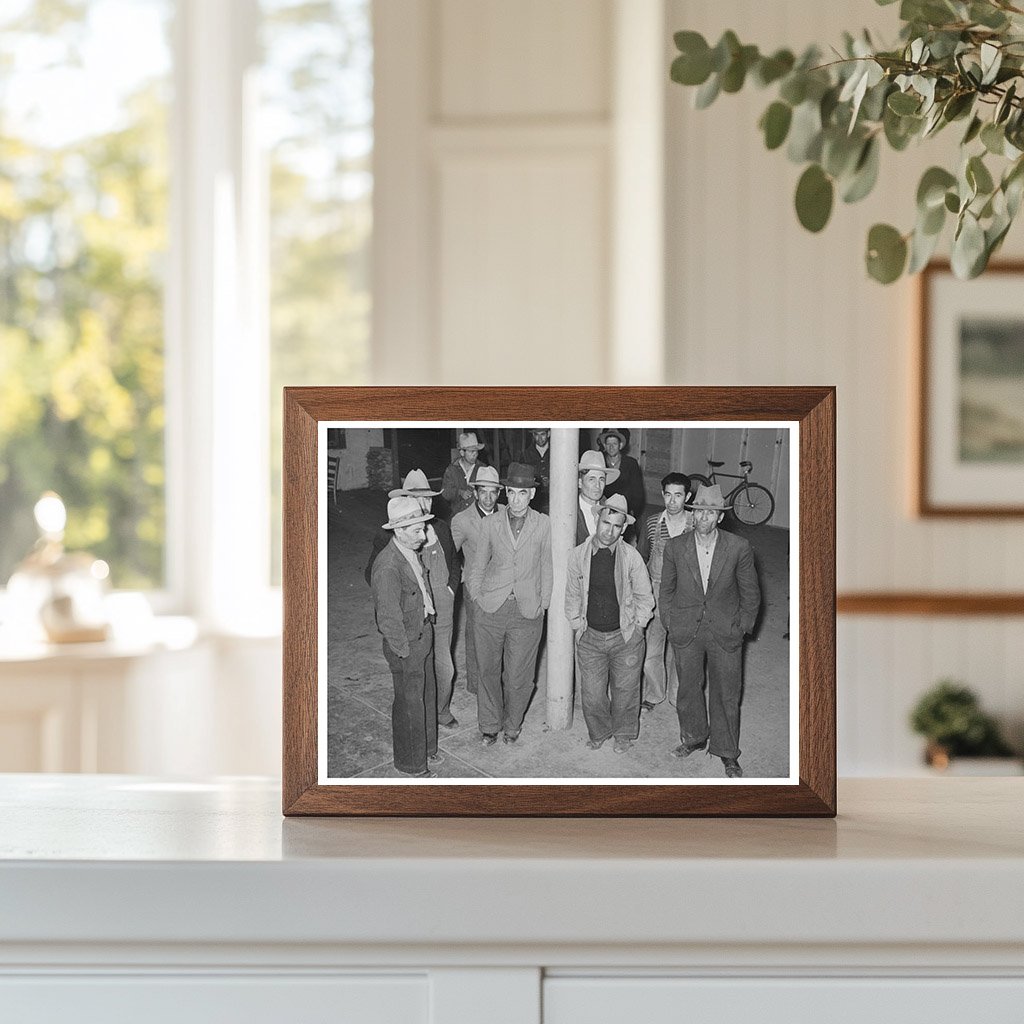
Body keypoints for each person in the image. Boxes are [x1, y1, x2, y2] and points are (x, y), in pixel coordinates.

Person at [659, 484, 760, 778]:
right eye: (700, 511)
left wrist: (743, 627)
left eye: (711, 512)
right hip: (686, 628)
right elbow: (666, 591)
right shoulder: (675, 547)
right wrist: (670, 621)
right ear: (693, 514)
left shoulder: (738, 547)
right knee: (688, 688)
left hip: (725, 629)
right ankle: (694, 737)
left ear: (720, 517)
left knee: (727, 692)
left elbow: (751, 593)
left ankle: (727, 751)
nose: (704, 517)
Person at [464, 463, 552, 746]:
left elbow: (547, 566)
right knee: (487, 671)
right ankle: (489, 725)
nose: (515, 500)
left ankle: (513, 724)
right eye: (511, 493)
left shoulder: (543, 523)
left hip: (527, 611)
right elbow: (477, 566)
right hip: (490, 607)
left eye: (522, 493)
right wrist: (477, 598)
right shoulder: (490, 523)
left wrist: (543, 604)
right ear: (506, 493)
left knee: (519, 676)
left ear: (532, 495)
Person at [365, 469, 461, 728]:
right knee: (419, 671)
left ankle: (440, 710)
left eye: (429, 499)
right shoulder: (389, 535)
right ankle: (425, 717)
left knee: (445, 668)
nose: (425, 504)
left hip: (442, 611)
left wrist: (450, 590)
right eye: (419, 499)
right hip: (414, 619)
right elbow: (372, 575)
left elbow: (454, 562)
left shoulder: (441, 528)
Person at [565, 494, 654, 754]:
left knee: (625, 691)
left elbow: (645, 597)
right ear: (597, 518)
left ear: (624, 528)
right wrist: (574, 623)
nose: (609, 531)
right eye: (606, 523)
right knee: (592, 695)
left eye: (617, 526)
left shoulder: (632, 557)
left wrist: (638, 626)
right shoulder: (578, 556)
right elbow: (571, 594)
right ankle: (599, 731)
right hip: (590, 637)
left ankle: (624, 733)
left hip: (625, 637)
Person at [369, 496, 444, 778]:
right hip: (407, 644)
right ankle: (412, 764)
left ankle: (427, 748)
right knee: (409, 705)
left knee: (425, 696)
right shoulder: (387, 566)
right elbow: (388, 618)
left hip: (423, 633)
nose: (423, 535)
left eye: (423, 528)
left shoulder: (408, 550)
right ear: (398, 531)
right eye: (417, 530)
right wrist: (403, 651)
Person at [636, 472, 693, 711]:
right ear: (662, 494)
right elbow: (641, 558)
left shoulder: (696, 523)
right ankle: (655, 693)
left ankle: (677, 696)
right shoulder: (651, 522)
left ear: (687, 497)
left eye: (678, 495)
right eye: (668, 495)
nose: (672, 501)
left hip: (686, 596)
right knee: (652, 653)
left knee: (682, 652)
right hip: (656, 593)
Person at [450, 464, 501, 696]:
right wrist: (459, 580)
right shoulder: (462, 520)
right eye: (483, 492)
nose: (488, 498)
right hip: (476, 589)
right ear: (475, 492)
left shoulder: (508, 513)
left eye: (493, 492)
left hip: (503, 586)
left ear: (498, 493)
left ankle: (497, 681)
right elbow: (450, 554)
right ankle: (475, 685)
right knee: (476, 637)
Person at [597, 428, 646, 526]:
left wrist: (632, 511)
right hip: (604, 506)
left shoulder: (631, 463)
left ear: (620, 445)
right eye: (608, 444)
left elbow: (638, 492)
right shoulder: (600, 461)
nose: (611, 447)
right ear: (604, 446)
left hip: (626, 507)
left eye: (614, 444)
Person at [576, 450, 619, 543]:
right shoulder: (570, 511)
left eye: (601, 480)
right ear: (580, 483)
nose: (598, 486)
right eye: (591, 479)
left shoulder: (612, 509)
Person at [441, 431, 485, 518]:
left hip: (478, 518)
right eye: (471, 451)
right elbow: (445, 493)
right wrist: (460, 492)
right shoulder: (452, 470)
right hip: (458, 517)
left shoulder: (483, 469)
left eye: (476, 451)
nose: (475, 454)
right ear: (462, 452)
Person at [519, 427, 551, 512]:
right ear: (533, 435)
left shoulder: (557, 452)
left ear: (548, 434)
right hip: (534, 502)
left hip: (554, 499)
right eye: (536, 434)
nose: (539, 438)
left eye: (542, 434)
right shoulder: (525, 455)